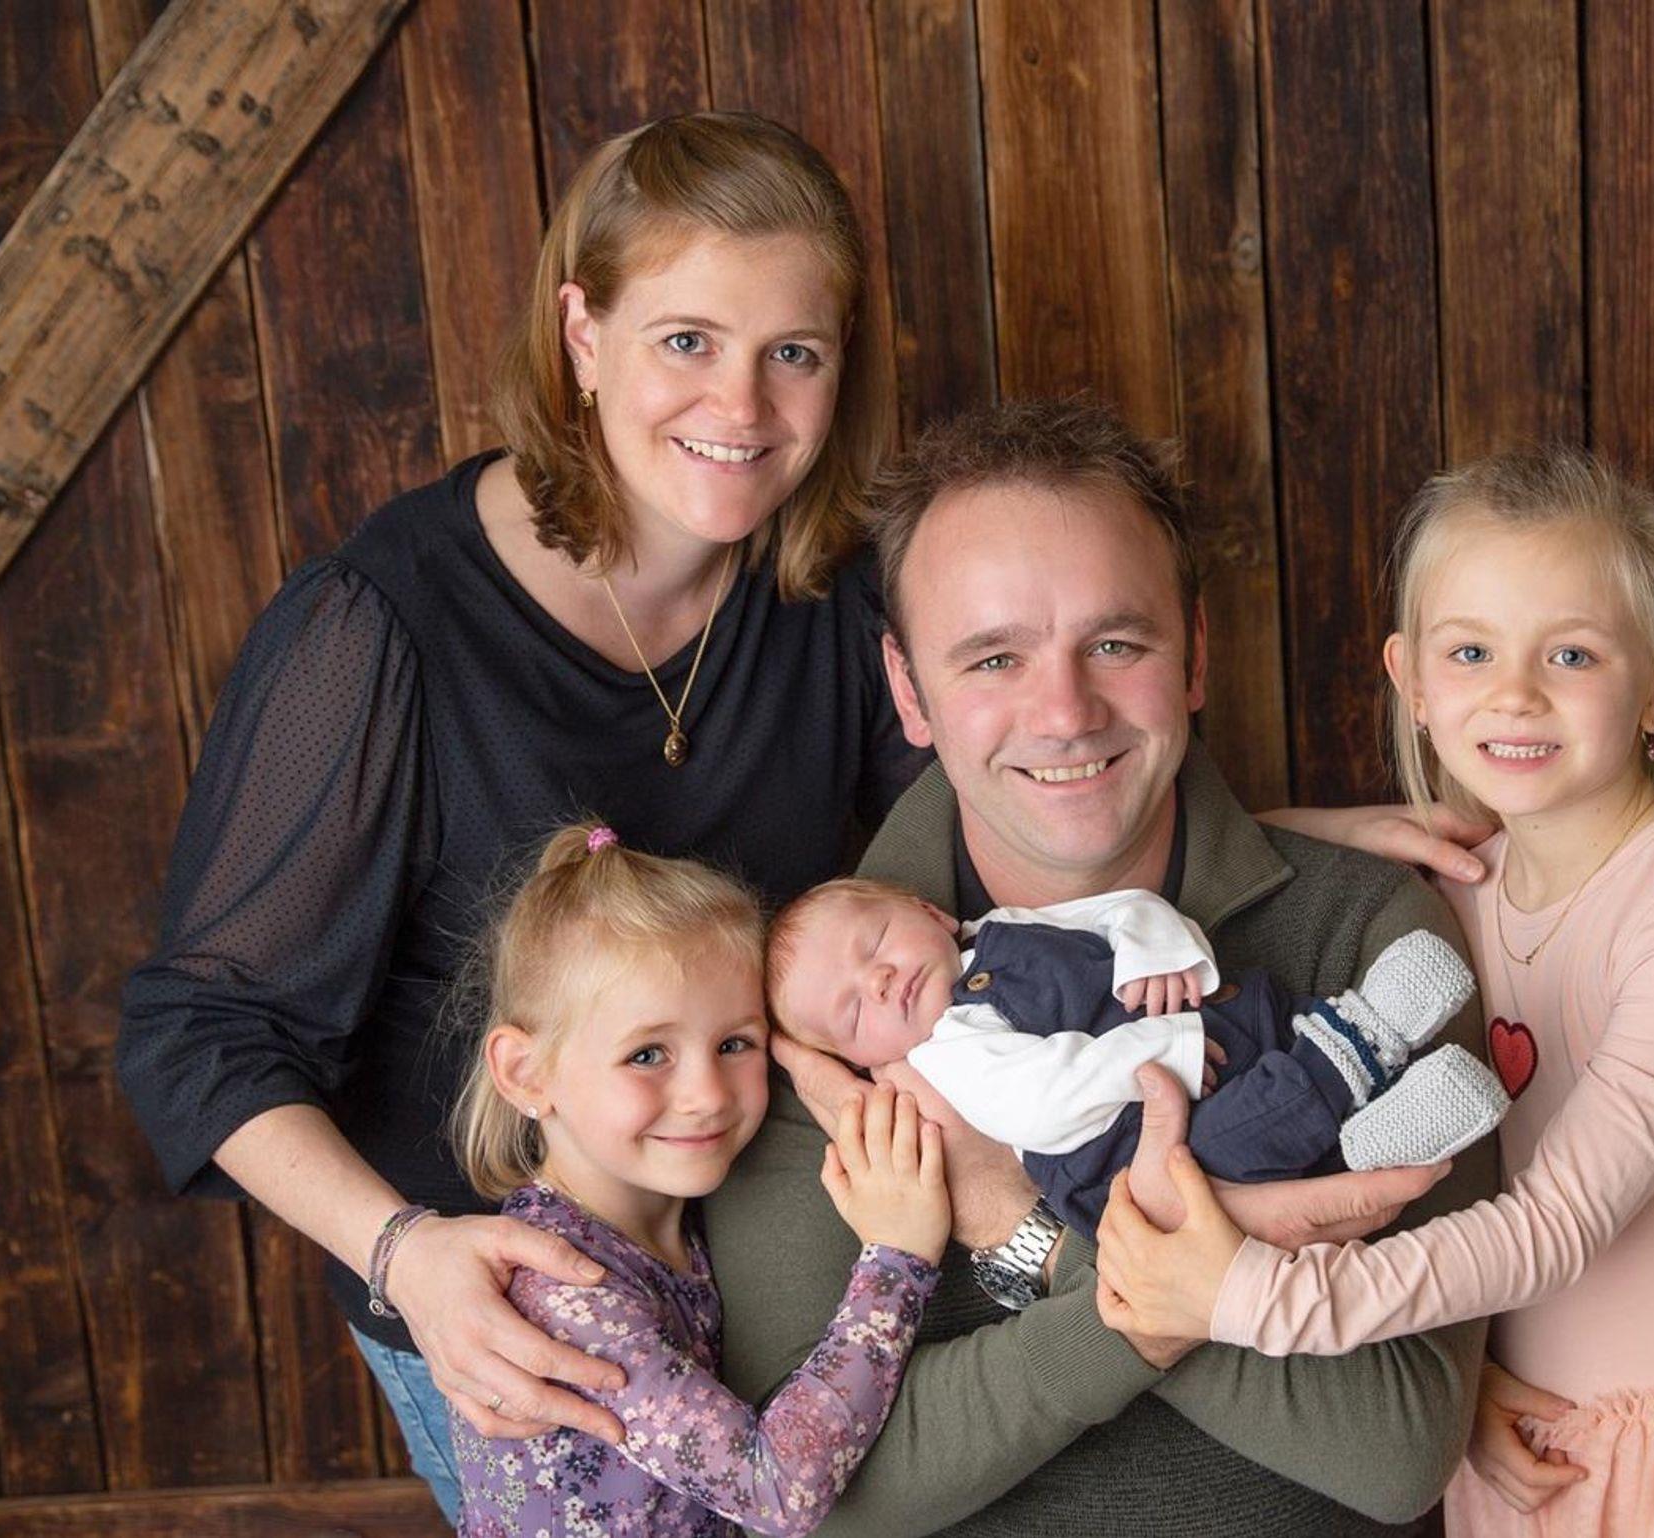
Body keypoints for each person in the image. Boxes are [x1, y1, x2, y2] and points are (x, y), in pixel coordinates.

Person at [116, 112, 1485, 1527]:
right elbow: (199, 1032)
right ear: (581, 333)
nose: (743, 402)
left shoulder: (820, 602)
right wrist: (402, 1252)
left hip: (721, 1255)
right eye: (686, 340)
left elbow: (1019, 776)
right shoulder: (383, 625)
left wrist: (1268, 839)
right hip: (504, 1297)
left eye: (795, 353)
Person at [1088, 449, 1654, 1537]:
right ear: (1411, 680)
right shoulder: (1457, 893)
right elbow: (1216, 854)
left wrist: (1253, 1296)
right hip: (1532, 1459)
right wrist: (1343, 829)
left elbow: (1558, 1224)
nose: (1514, 692)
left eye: (1571, 653)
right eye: (1470, 652)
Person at [707, 396, 1504, 1536]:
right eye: (993, 658)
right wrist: (1156, 1282)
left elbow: (1394, 1448)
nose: (1065, 713)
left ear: (1195, 654)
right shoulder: (818, 1014)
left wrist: (1007, 1213)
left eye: (1115, 645)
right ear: (908, 690)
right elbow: (821, 1499)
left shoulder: (1372, 932)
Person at [446, 823, 946, 1537]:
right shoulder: (561, 1293)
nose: (708, 1095)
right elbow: (775, 1491)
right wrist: (899, 1258)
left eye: (735, 1043)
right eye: (648, 1054)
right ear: (526, 1074)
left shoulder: (673, 1219)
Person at [766, 876, 1506, 1232]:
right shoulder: (947, 1052)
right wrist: (1163, 1053)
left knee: (1270, 1022)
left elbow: (1119, 909)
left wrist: (1157, 953)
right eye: (854, 1012)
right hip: (1132, 1146)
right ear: (866, 1061)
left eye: (875, 944)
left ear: (927, 912)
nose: (879, 981)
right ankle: (1362, 1067)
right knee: (1235, 1142)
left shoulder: (999, 929)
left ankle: (1365, 1057)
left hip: (1212, 1034)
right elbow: (1044, 1099)